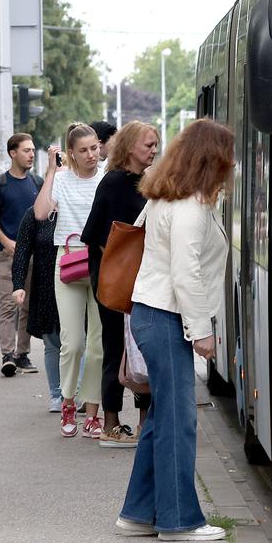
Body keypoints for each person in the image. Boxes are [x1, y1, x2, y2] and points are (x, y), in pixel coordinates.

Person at [116, 119, 232, 541]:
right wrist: (202, 332)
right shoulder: (189, 207)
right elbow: (186, 274)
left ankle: (138, 513)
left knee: (162, 418)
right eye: (227, 158)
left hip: (153, 314)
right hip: (166, 317)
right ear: (212, 160)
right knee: (179, 420)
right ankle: (179, 520)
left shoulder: (167, 196)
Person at [82, 121, 158, 448]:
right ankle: (111, 423)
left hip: (144, 277)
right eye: (148, 145)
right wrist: (124, 266)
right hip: (117, 279)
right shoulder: (112, 183)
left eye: (156, 144)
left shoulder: (152, 181)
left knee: (144, 349)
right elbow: (97, 235)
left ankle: (144, 423)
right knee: (116, 346)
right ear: (129, 148)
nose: (154, 150)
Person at [34, 123, 106, 438]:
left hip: (101, 262)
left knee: (98, 345)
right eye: (84, 150)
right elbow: (40, 213)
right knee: (72, 343)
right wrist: (51, 171)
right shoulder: (61, 180)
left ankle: (92, 412)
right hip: (68, 261)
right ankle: (67, 401)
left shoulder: (106, 178)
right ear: (72, 154)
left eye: (95, 148)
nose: (92, 155)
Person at [0, 133, 42, 376]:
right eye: (26, 150)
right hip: (7, 253)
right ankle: (7, 355)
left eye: (32, 150)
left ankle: (22, 354)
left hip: (33, 255)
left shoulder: (38, 183)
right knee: (9, 304)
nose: (31, 154)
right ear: (13, 153)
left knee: (28, 305)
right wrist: (6, 242)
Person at [11, 206, 62, 411]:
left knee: (78, 342)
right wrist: (18, 285)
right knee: (52, 343)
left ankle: (78, 393)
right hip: (45, 287)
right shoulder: (36, 213)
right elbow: (22, 248)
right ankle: (57, 395)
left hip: (77, 282)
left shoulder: (82, 203)